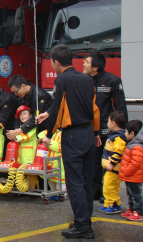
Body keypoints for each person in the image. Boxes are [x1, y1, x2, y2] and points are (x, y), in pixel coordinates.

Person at [38, 44, 100, 239]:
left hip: (73, 135)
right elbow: (95, 108)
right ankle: (85, 219)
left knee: (74, 182)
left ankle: (82, 225)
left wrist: (48, 132)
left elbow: (57, 110)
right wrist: (96, 132)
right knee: (86, 180)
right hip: (89, 132)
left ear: (56, 62)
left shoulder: (62, 79)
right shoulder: (87, 79)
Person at [83, 51, 128, 201]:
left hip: (107, 130)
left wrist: (122, 131)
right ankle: (95, 190)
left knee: (108, 161)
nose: (83, 63)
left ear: (95, 67)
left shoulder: (113, 80)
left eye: (87, 62)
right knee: (93, 160)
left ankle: (107, 191)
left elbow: (121, 107)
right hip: (89, 129)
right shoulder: (84, 81)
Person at [99, 110, 127, 214]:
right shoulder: (114, 135)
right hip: (110, 168)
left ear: (114, 123)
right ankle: (108, 203)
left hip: (113, 168)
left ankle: (114, 204)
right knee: (107, 185)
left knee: (110, 186)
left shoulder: (118, 137)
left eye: (108, 121)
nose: (107, 124)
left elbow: (118, 153)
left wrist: (111, 164)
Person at [7, 75, 51, 140]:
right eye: (13, 93)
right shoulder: (21, 96)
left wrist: (19, 131)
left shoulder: (41, 95)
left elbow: (36, 118)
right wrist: (16, 130)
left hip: (45, 129)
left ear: (23, 86)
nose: (16, 94)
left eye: (16, 92)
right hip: (29, 129)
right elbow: (18, 114)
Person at [119, 120, 143, 221]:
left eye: (126, 131)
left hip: (134, 177)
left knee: (136, 195)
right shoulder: (132, 144)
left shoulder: (136, 146)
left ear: (132, 133)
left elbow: (136, 163)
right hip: (130, 177)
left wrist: (127, 171)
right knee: (130, 194)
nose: (125, 133)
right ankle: (132, 209)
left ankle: (138, 212)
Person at [38, 129, 66, 200]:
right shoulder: (53, 131)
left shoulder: (66, 133)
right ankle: (53, 193)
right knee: (50, 179)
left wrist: (48, 142)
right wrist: (44, 138)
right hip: (50, 161)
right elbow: (41, 134)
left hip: (61, 163)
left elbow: (61, 147)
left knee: (61, 182)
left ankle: (62, 194)